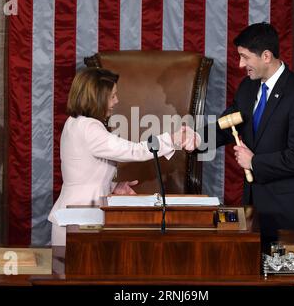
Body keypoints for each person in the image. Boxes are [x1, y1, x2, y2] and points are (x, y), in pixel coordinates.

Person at [199, 22, 294, 251]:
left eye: (245, 57)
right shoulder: (248, 87)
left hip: (289, 215)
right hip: (256, 213)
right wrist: (196, 139)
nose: (240, 64)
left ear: (266, 56)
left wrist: (254, 162)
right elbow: (228, 124)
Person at [48, 67, 195, 245]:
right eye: (112, 96)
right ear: (97, 97)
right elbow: (134, 151)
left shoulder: (76, 122)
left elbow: (84, 173)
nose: (116, 101)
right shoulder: (89, 128)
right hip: (79, 219)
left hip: (77, 216)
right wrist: (172, 140)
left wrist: (112, 186)